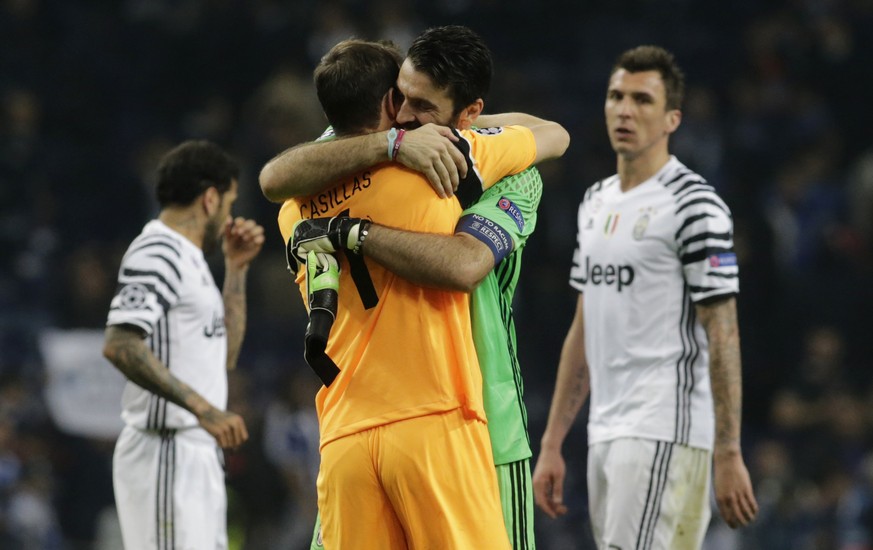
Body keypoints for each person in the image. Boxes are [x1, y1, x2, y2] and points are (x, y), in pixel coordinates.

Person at [267, 25, 569, 550]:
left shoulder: (504, 171)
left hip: (483, 422)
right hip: (414, 419)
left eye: (422, 107)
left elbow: (465, 263)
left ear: (469, 114)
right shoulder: (374, 144)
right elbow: (275, 175)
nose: (405, 116)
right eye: (399, 98)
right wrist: (393, 143)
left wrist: (355, 231)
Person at [531, 45, 759, 550]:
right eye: (616, 96)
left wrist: (727, 449)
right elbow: (584, 328)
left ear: (672, 118)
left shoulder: (695, 205)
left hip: (667, 430)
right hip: (606, 431)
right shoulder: (595, 203)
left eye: (642, 99)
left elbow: (723, 330)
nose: (625, 110)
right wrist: (552, 443)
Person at [102, 140, 264, 550]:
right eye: (229, 202)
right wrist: (204, 409)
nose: (229, 213)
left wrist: (235, 270)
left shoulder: (188, 260)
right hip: (165, 448)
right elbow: (120, 343)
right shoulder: (158, 251)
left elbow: (223, 354)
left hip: (195, 451)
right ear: (210, 198)